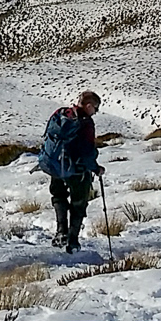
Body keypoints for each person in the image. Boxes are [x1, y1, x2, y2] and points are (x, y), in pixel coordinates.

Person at [36, 90, 105, 252]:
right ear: (88, 106)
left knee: (59, 196)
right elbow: (87, 153)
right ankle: (73, 240)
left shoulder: (60, 114)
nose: (96, 112)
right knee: (78, 203)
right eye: (95, 108)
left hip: (56, 166)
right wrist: (96, 168)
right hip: (77, 170)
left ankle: (61, 233)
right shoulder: (85, 123)